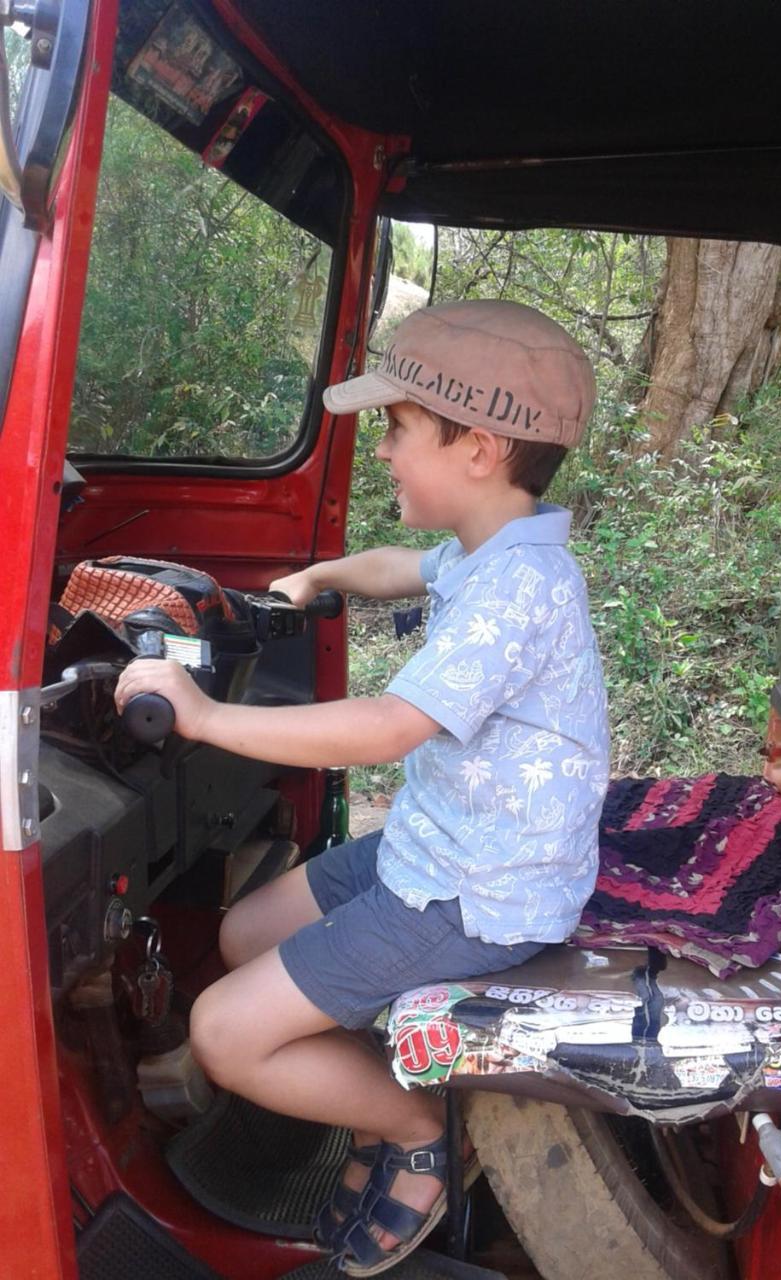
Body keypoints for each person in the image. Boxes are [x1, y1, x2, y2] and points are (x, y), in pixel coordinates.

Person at [114, 299, 610, 1276]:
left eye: (396, 428)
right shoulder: (488, 548)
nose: (381, 451)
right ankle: (364, 1090)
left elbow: (388, 726)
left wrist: (206, 716)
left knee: (222, 1033)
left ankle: (413, 1119)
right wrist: (313, 577)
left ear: (479, 444)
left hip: (480, 891)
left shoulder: (520, 592)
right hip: (438, 842)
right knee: (241, 934)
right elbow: (398, 566)